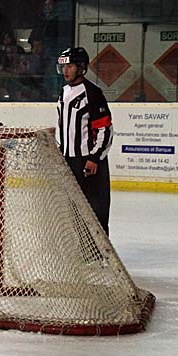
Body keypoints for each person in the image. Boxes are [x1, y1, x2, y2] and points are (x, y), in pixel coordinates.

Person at [56, 47, 113, 235]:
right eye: (63, 67)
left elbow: (105, 129)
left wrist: (95, 158)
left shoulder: (93, 93)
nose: (65, 71)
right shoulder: (63, 92)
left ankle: (100, 256)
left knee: (96, 211)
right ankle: (83, 255)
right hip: (69, 161)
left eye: (70, 66)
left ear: (81, 67)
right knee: (74, 211)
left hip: (89, 162)